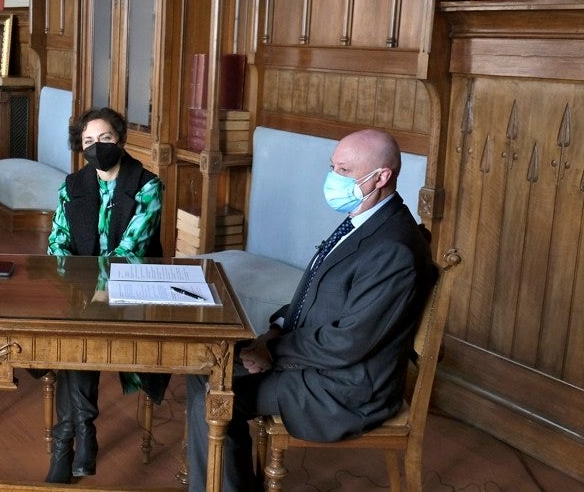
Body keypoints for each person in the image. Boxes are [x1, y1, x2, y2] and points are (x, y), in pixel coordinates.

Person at [185, 128, 436, 492]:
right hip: (319, 363)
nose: (333, 178)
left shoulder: (393, 248)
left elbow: (349, 342)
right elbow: (315, 294)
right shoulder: (367, 219)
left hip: (345, 390)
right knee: (208, 370)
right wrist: (274, 331)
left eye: (345, 171)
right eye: (332, 167)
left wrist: (271, 351)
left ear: (382, 177)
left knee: (217, 393)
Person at [44, 107, 165, 484]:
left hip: (132, 288)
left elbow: (132, 248)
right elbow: (57, 242)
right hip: (80, 291)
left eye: (106, 139)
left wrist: (97, 291)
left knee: (79, 337)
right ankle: (75, 437)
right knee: (76, 337)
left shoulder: (146, 184)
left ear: (121, 139)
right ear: (79, 147)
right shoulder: (72, 185)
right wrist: (80, 288)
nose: (98, 147)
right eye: (88, 142)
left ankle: (70, 440)